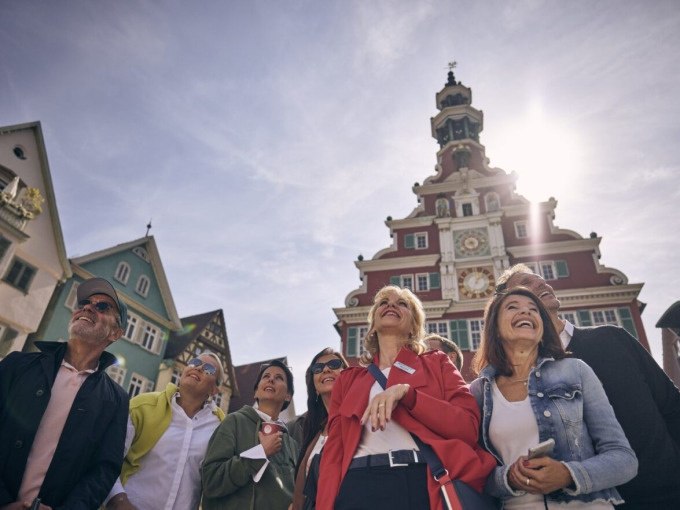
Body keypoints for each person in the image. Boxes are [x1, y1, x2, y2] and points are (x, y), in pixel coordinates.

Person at [498, 264, 680, 508]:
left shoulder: (613, 338)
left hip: (666, 492)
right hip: (592, 502)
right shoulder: (523, 377)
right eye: (527, 284)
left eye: (541, 279)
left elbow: (672, 406)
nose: (541, 283)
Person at [316, 285, 496, 510]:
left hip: (418, 480)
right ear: (372, 326)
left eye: (402, 303)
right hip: (358, 484)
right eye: (383, 302)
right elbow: (334, 453)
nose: (391, 304)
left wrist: (409, 395)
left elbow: (467, 427)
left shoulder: (437, 363)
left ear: (414, 325)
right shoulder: (348, 380)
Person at [470, 286, 637, 508]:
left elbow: (624, 458)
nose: (526, 312)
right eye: (513, 307)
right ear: (495, 329)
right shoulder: (478, 391)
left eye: (533, 309)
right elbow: (476, 472)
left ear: (542, 329)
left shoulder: (576, 371)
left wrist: (568, 474)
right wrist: (507, 478)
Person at [0, 277, 129, 510]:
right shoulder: (17, 365)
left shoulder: (117, 399)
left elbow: (104, 468)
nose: (88, 307)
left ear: (116, 333)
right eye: (84, 303)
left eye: (102, 307)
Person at [105, 352, 226, 510]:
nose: (198, 368)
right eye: (195, 362)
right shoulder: (143, 406)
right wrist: (118, 501)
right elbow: (107, 459)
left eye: (209, 368)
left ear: (214, 390)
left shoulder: (220, 427)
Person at [202, 359, 299, 510]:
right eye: (266, 376)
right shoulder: (233, 422)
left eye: (279, 378)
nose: (271, 379)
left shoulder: (292, 445)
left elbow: (297, 491)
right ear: (256, 392)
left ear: (288, 396)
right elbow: (211, 480)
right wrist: (259, 454)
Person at [292, 348, 348, 510]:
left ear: (347, 375)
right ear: (315, 388)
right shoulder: (312, 434)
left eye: (334, 364)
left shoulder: (361, 418)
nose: (325, 369)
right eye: (318, 369)